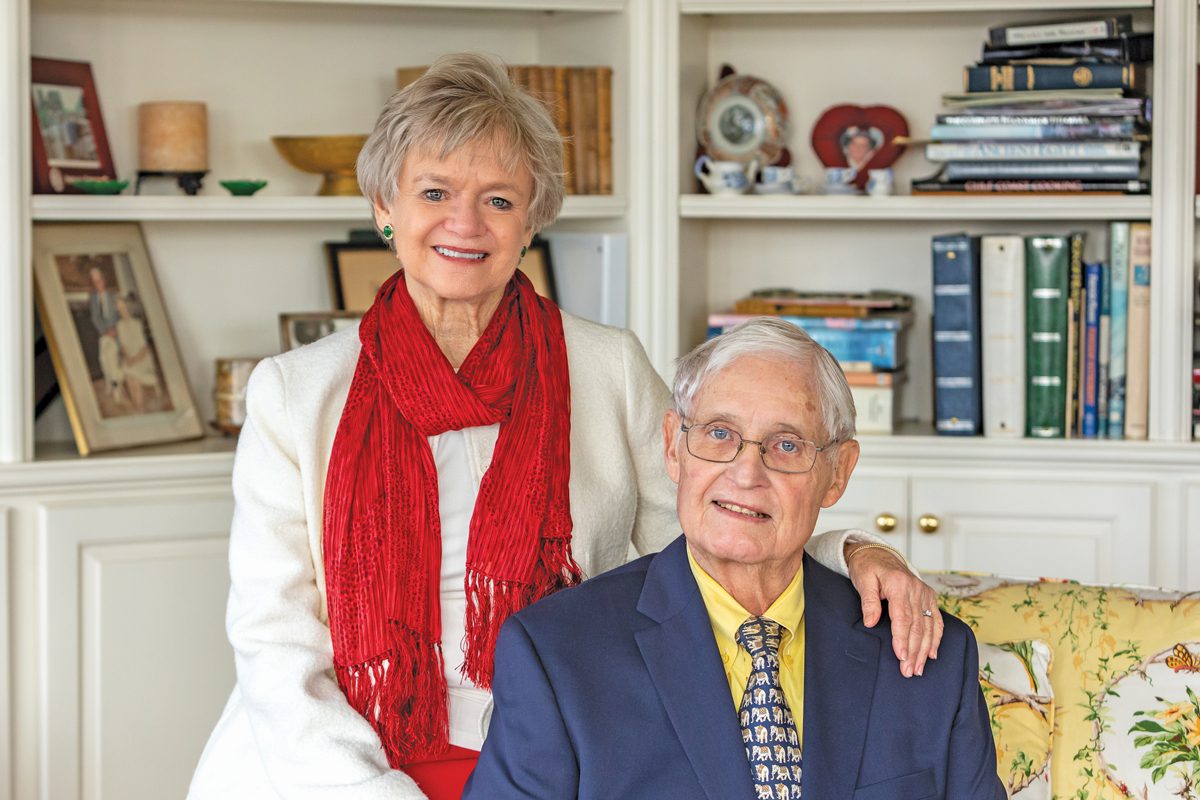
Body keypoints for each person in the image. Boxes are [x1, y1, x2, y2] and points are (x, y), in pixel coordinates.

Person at [188, 53, 943, 800]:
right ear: (384, 206)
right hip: (329, 763)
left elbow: (716, 538)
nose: (464, 223)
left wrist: (851, 552)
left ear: (533, 219)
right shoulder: (295, 394)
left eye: (498, 200)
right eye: (434, 192)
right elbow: (275, 643)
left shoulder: (608, 367)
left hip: (575, 749)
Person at [466, 318, 1005, 800]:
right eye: (720, 434)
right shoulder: (557, 654)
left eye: (787, 445)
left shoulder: (925, 653)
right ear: (673, 446)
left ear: (838, 473)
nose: (747, 474)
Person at [114, 293, 162, 412]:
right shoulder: (119, 325)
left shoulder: (137, 324)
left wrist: (134, 360)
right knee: (127, 371)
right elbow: (123, 346)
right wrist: (127, 358)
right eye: (119, 308)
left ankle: (139, 406)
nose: (120, 310)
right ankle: (137, 405)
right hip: (130, 358)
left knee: (132, 371)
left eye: (122, 307)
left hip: (142, 358)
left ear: (128, 307)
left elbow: (144, 348)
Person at [87, 263, 123, 402]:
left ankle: (116, 388)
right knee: (104, 360)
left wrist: (115, 329)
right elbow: (94, 317)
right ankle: (109, 382)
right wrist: (104, 331)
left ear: (104, 279)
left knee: (112, 361)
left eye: (100, 280)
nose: (98, 284)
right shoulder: (93, 298)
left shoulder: (113, 296)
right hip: (103, 334)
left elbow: (120, 315)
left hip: (115, 334)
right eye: (95, 282)